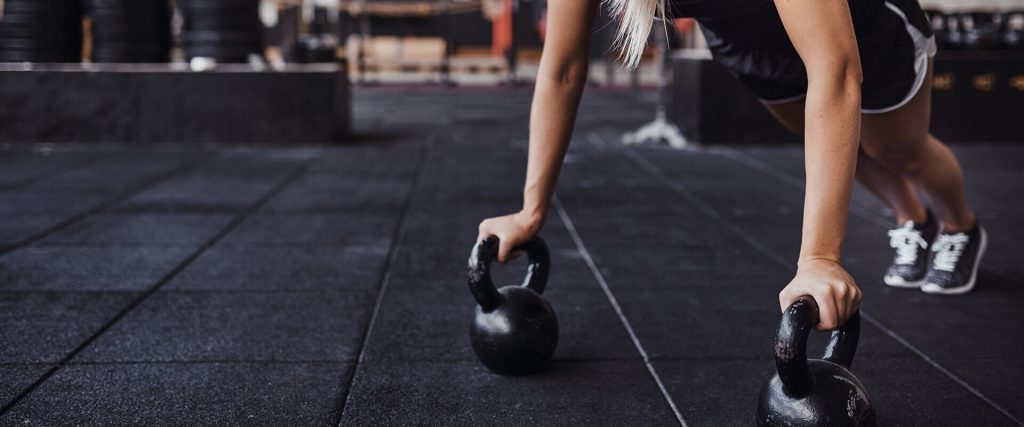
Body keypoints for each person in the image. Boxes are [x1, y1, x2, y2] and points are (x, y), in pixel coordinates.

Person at [476, 0, 986, 330]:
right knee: (836, 146)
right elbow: (563, 69)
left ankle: (960, 225)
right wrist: (530, 210)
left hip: (865, 30)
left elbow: (835, 67)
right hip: (753, 47)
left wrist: (820, 259)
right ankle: (910, 219)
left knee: (897, 148)